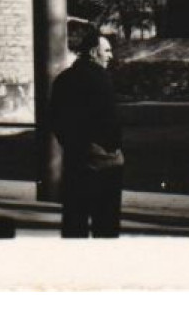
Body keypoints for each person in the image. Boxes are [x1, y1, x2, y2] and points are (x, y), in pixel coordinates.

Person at [49, 27, 123, 237]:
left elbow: (56, 118)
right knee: (105, 221)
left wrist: (72, 144)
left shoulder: (64, 79)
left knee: (75, 218)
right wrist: (112, 147)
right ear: (93, 52)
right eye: (107, 51)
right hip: (102, 158)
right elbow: (109, 119)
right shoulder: (99, 78)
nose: (111, 56)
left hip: (76, 156)